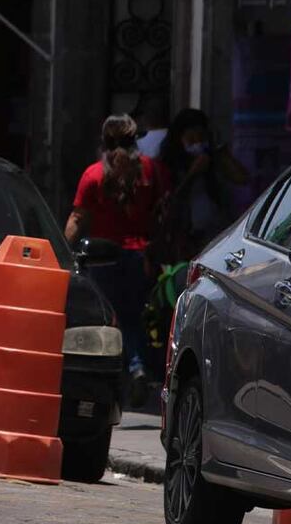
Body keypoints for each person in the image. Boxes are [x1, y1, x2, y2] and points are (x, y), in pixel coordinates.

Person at [64, 115, 169, 407]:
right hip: (140, 256)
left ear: (104, 143)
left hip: (101, 258)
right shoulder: (151, 171)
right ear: (135, 141)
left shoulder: (94, 174)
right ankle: (137, 370)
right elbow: (163, 214)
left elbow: (77, 217)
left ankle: (130, 370)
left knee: (112, 318)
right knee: (134, 317)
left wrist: (62, 251)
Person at [153, 108, 248, 264]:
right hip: (185, 237)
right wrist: (192, 174)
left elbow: (241, 178)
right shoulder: (168, 165)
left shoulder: (213, 159)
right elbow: (169, 200)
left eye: (201, 138)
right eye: (191, 139)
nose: (197, 143)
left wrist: (220, 152)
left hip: (215, 233)